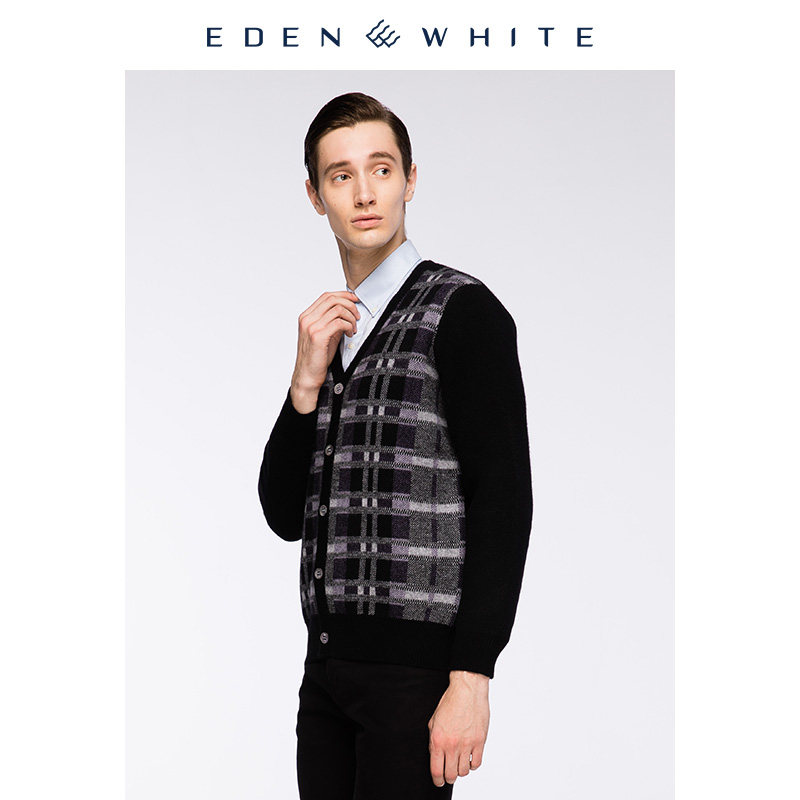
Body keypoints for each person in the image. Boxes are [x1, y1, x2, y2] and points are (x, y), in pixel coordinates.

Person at [258, 91, 533, 799]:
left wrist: (471, 678)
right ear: (315, 195)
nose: (364, 193)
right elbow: (284, 514)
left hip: (415, 679)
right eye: (341, 175)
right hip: (326, 675)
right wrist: (305, 382)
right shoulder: (330, 334)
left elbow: (504, 502)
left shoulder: (463, 312)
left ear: (410, 180)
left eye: (381, 169)